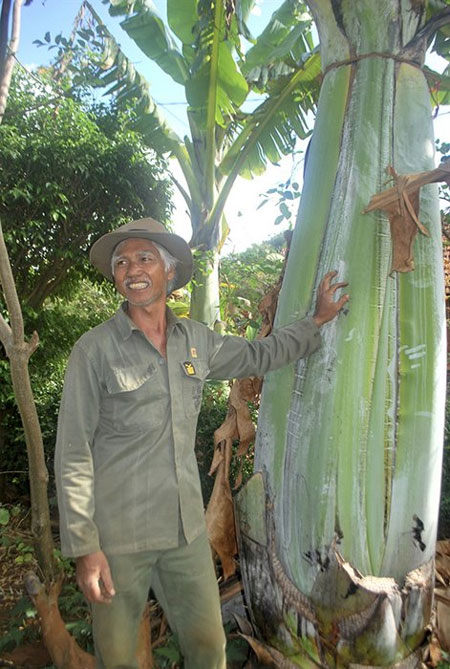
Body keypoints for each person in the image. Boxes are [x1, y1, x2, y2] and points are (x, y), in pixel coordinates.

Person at [55, 217, 349, 669]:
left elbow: (259, 355)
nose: (132, 269)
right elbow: (73, 454)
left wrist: (317, 321)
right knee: (115, 658)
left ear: (169, 272)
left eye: (145, 258)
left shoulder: (195, 341)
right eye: (121, 262)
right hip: (117, 537)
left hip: (185, 532)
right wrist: (84, 547)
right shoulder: (93, 351)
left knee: (209, 649)